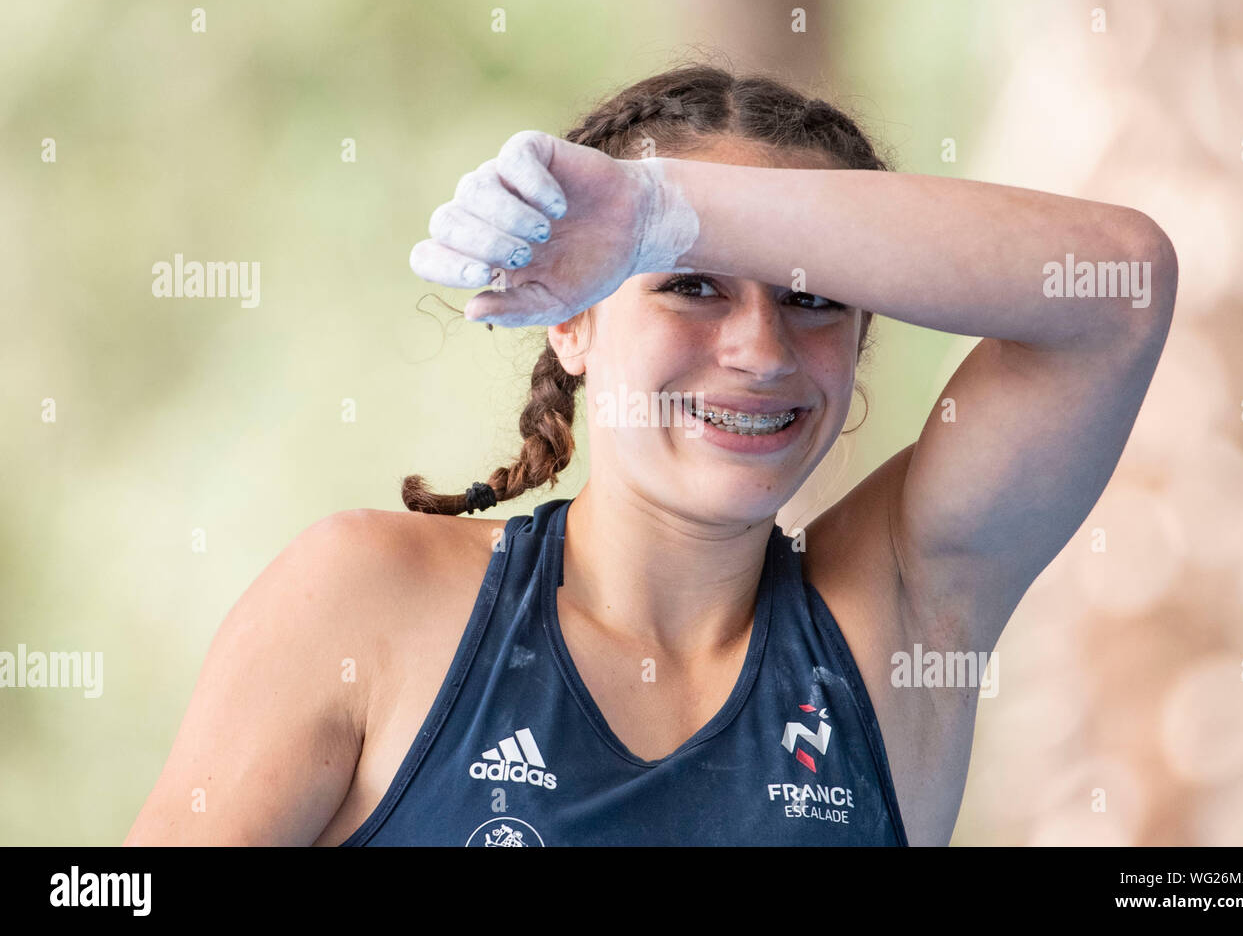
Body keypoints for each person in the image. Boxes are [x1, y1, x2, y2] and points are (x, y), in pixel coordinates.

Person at [125, 63, 1176, 847]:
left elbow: (1118, 286)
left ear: (861, 341)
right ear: (571, 322)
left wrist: (670, 213)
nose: (760, 349)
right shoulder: (366, 599)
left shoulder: (896, 617)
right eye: (690, 279)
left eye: (813, 297)